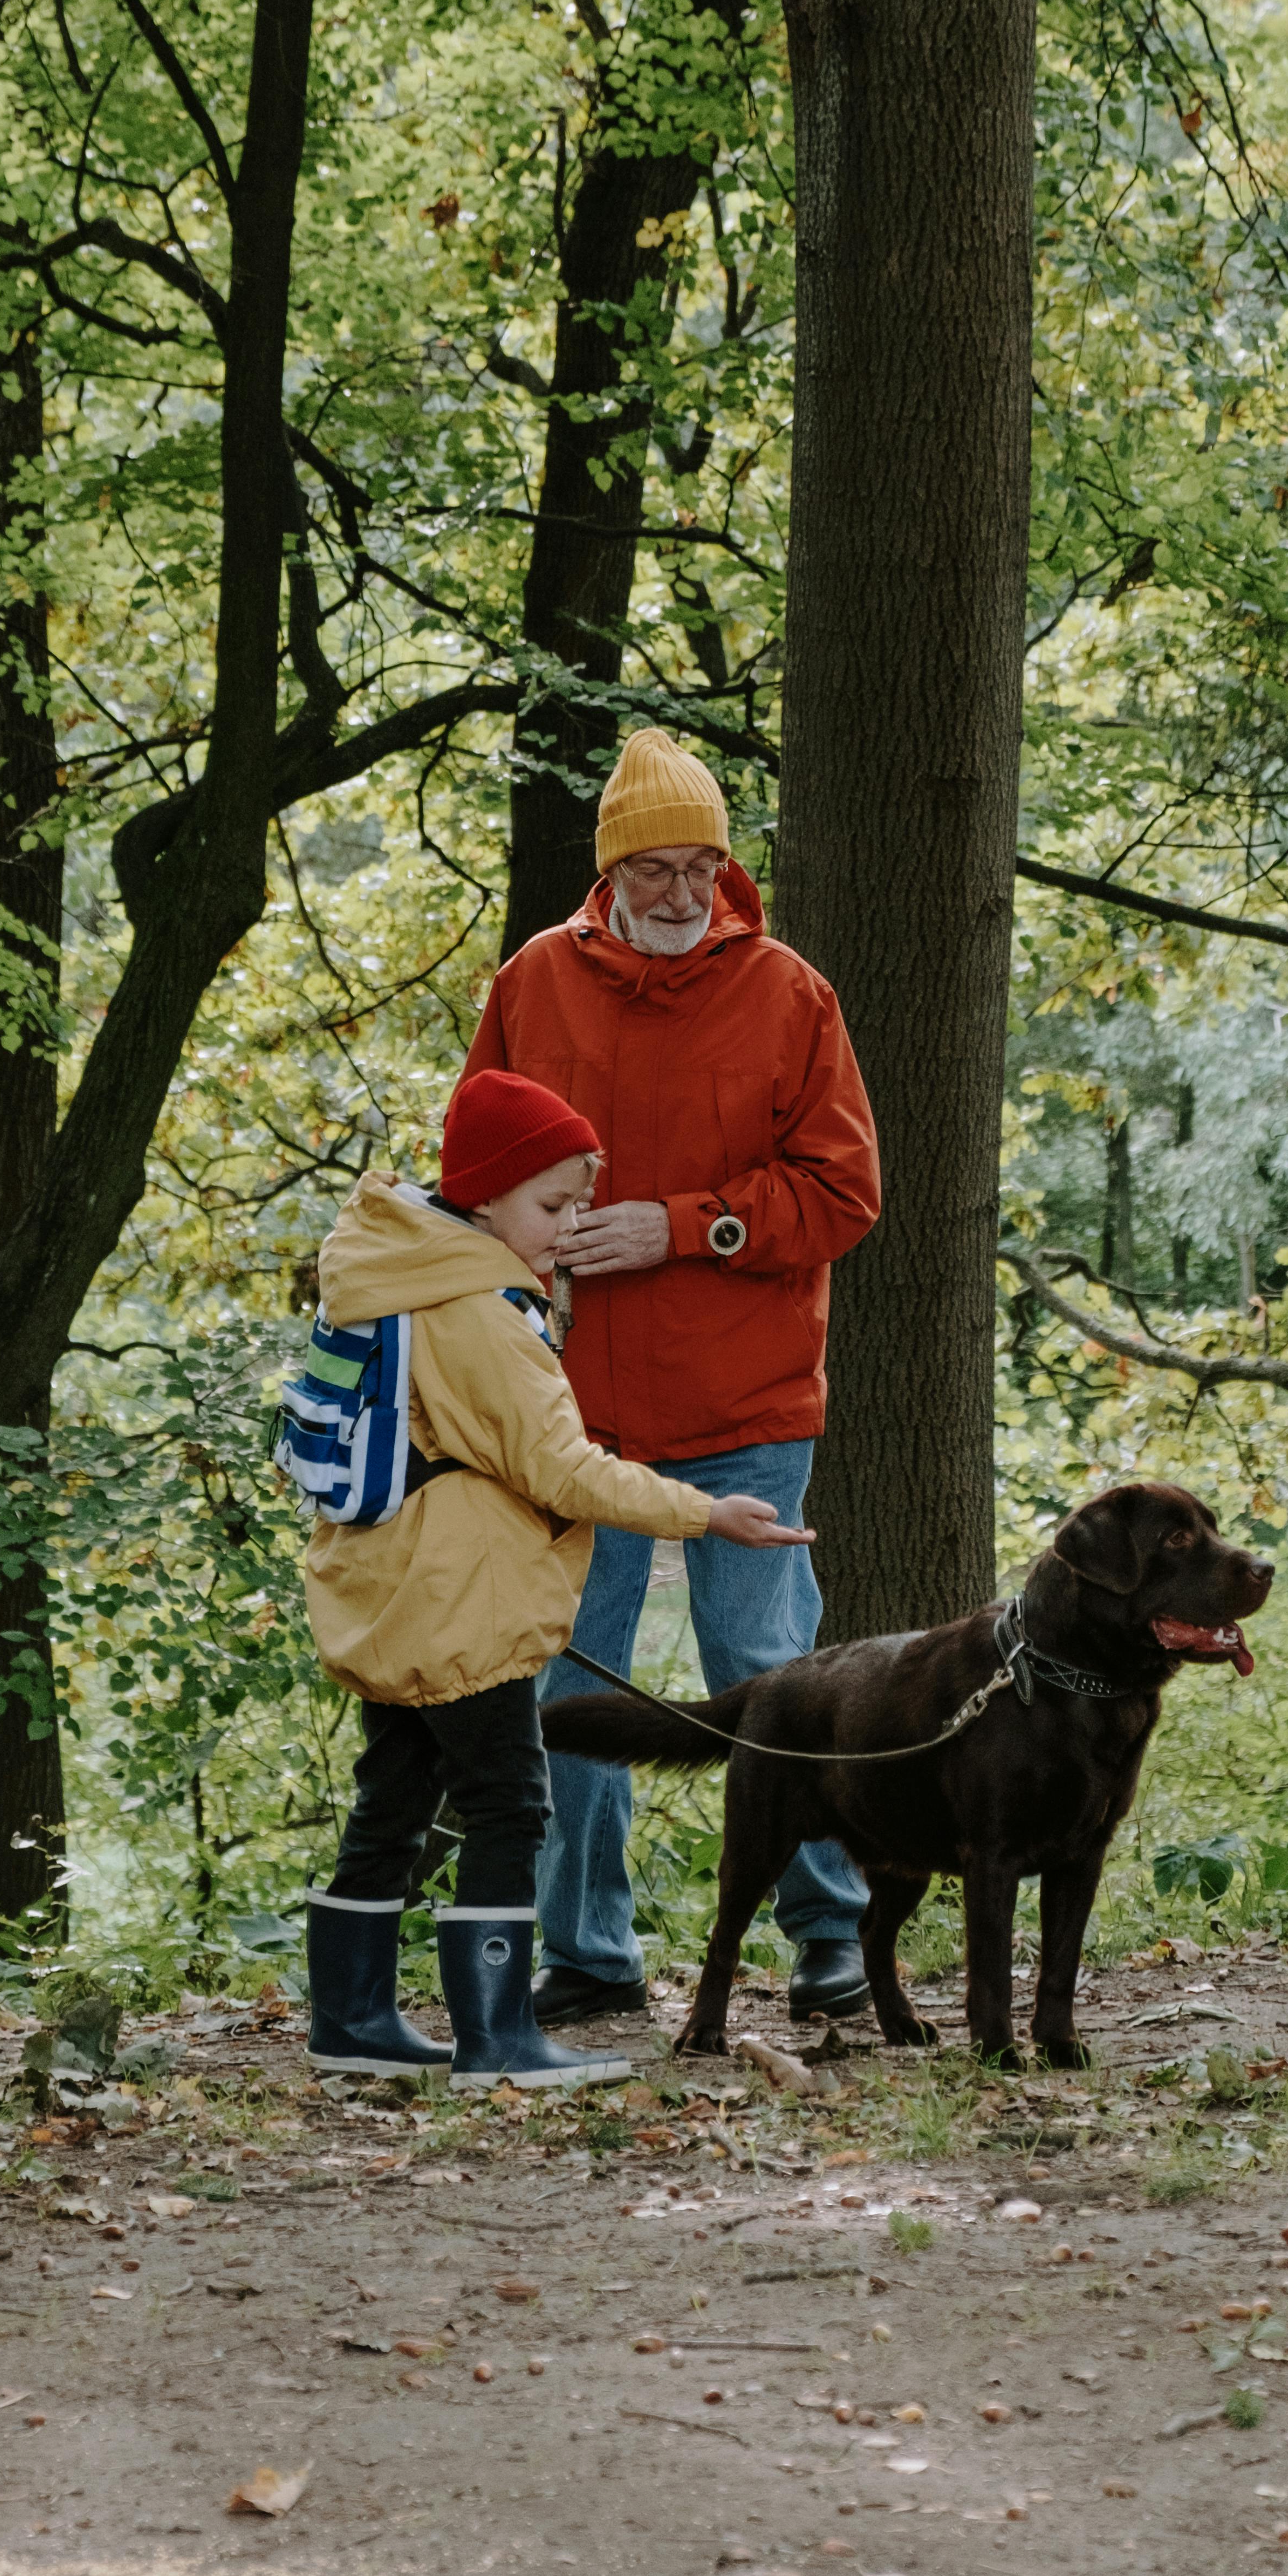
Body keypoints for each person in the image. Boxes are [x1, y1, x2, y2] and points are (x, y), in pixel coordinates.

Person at [459, 728, 883, 2028]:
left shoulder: (789, 993)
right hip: (571, 1411)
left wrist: (683, 1225)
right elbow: (475, 1170)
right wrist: (522, 1250)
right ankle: (590, 1955)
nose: (683, 893)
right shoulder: (533, 982)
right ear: (612, 872)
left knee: (772, 1670)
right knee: (575, 1682)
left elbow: (844, 1193)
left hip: (747, 1409)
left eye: (704, 866)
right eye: (658, 869)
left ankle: (832, 1940)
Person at [296, 1065, 812, 2092]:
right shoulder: (478, 1310)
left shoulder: (391, 1272)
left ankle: (350, 2021)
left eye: (579, 1202)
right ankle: (497, 2041)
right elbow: (562, 1468)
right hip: (460, 1601)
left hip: (391, 1590)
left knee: (392, 1802)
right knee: (510, 1802)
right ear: (484, 1194)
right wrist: (707, 1513)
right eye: (551, 1203)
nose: (567, 1224)